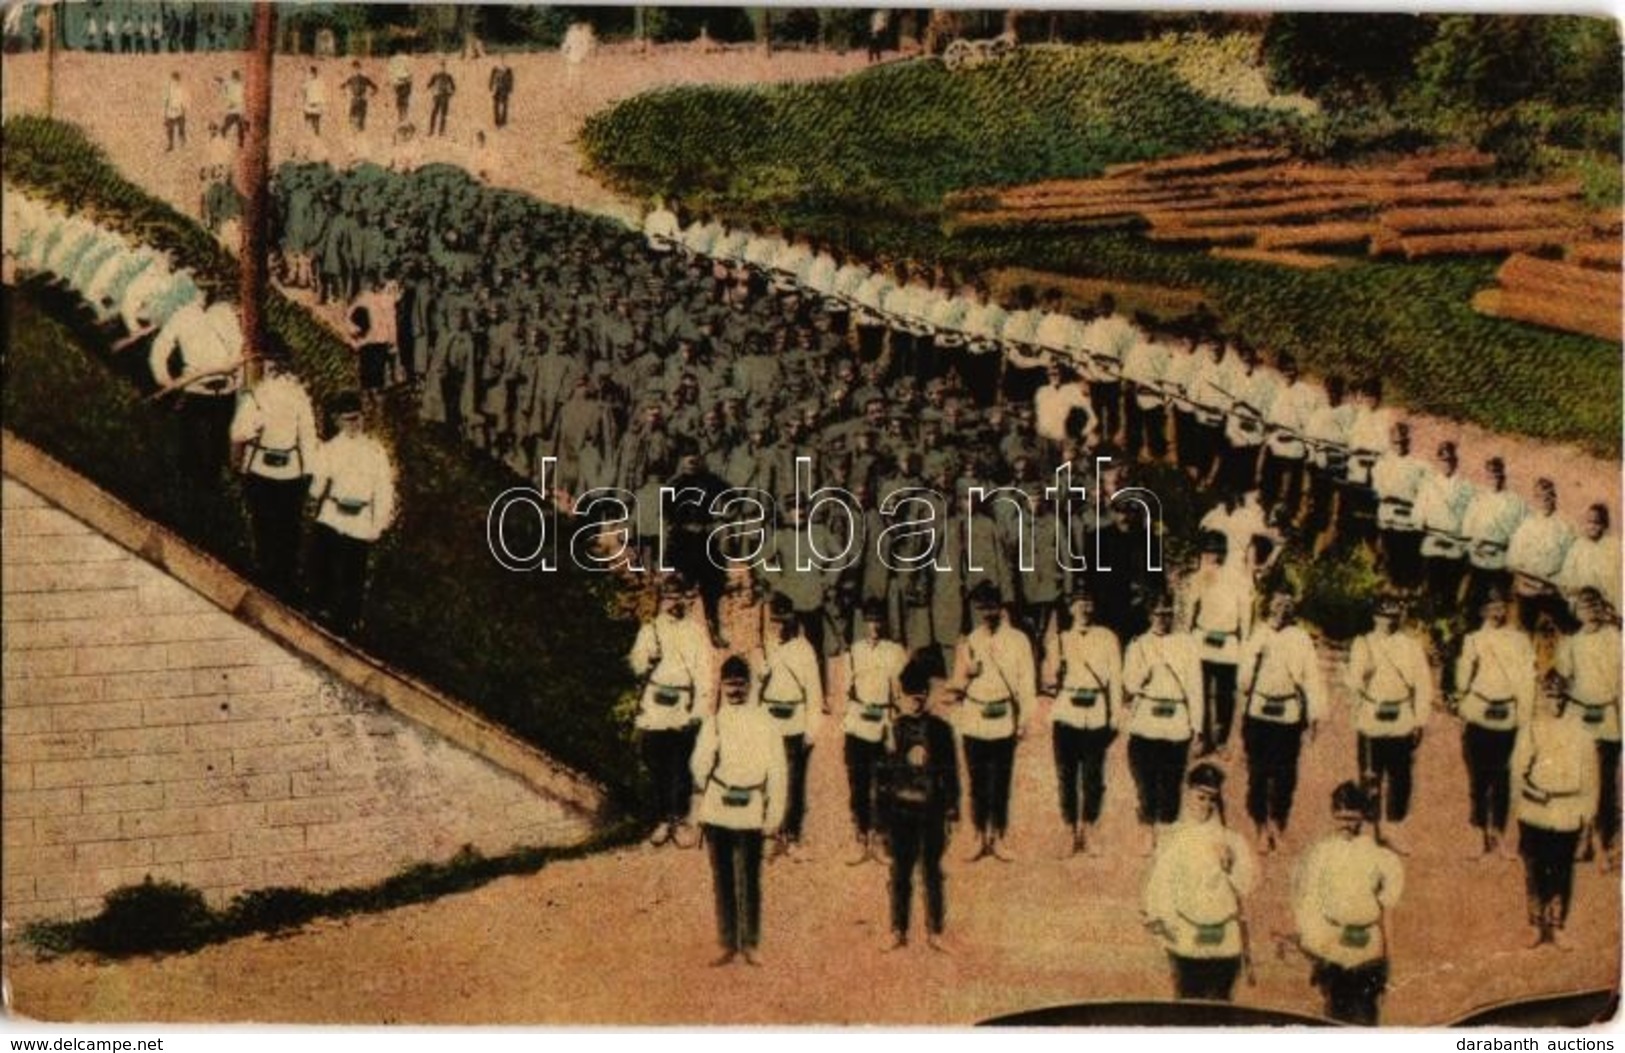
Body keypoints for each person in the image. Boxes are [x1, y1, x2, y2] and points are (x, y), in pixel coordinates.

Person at [691, 655, 788, 967]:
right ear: (721, 685)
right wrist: (706, 769)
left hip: (750, 810)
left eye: (740, 684)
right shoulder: (714, 722)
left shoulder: (766, 723)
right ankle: (727, 943)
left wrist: (773, 817)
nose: (734, 691)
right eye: (729, 684)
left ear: (750, 685)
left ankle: (750, 944)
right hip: (719, 809)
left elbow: (778, 772)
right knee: (723, 879)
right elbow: (698, 766)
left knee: (749, 878)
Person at [1291, 781, 1405, 1025]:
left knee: (1365, 1018)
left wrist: (1388, 960)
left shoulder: (1380, 856)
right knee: (1334, 1021)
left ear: (1363, 817)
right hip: (1333, 947)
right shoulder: (1320, 854)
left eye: (1352, 818)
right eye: (1341, 817)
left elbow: (1387, 912)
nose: (1346, 824)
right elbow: (1309, 900)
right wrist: (1316, 944)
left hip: (1368, 950)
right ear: (1332, 814)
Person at [1142, 763, 1257, 1002]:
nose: (1205, 804)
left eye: (1211, 799)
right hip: (1186, 940)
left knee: (1221, 1010)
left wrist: (1231, 864)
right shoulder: (1173, 838)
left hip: (1225, 940)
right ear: (1189, 794)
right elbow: (1160, 887)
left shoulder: (1232, 841)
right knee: (1188, 1009)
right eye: (1200, 797)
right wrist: (1166, 927)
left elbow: (1246, 885)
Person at [878, 654, 961, 951]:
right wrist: (881, 822)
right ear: (901, 696)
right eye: (911, 695)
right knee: (899, 873)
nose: (917, 700)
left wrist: (952, 810)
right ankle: (898, 930)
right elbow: (882, 778)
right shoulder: (892, 729)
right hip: (900, 811)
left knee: (932, 871)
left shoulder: (940, 729)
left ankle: (936, 931)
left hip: (931, 811)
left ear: (927, 695)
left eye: (921, 694)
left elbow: (951, 772)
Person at [1237, 585, 1328, 853]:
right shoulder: (1258, 635)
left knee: (1285, 774)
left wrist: (1314, 715)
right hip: (1259, 711)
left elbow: (1311, 678)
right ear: (1269, 606)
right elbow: (1243, 680)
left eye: (1287, 606)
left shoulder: (1301, 639)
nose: (1281, 610)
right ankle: (1260, 827)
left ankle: (1278, 822)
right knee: (1258, 773)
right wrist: (1255, 657)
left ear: (1293, 610)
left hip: (1288, 714)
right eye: (1277, 605)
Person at [950, 581, 1036, 862]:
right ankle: (978, 836)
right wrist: (967, 673)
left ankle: (997, 836)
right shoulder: (970, 641)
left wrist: (1024, 720)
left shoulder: (1018, 641)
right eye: (981, 608)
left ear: (1001, 608)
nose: (987, 613)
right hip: (975, 718)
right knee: (977, 782)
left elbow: (1027, 684)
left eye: (991, 607)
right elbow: (956, 687)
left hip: (1003, 719)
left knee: (1000, 781)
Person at [1512, 670, 1598, 949]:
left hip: (1568, 812)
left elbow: (1590, 782)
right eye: (1550, 697)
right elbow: (1517, 772)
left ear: (1568, 699)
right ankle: (1536, 925)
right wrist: (1537, 794)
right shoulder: (1531, 729)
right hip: (1536, 811)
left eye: (1561, 698)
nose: (1556, 703)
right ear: (1542, 698)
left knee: (1561, 870)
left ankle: (1557, 924)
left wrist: (1587, 821)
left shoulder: (1583, 735)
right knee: (1535, 869)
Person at [628, 577, 715, 848]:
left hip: (683, 703)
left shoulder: (696, 632)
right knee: (656, 762)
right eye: (669, 596)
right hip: (656, 704)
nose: (674, 602)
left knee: (682, 763)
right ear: (662, 599)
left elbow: (704, 673)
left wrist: (698, 709)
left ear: (687, 600)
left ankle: (679, 819)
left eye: (679, 596)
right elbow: (636, 664)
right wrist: (644, 659)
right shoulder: (650, 630)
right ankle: (662, 819)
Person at [229, 341, 318, 599]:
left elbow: (307, 438)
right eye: (273, 363)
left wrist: (309, 473)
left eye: (280, 364)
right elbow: (307, 438)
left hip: (281, 470)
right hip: (272, 469)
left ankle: (278, 578)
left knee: (275, 527)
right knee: (277, 527)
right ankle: (275, 577)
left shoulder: (280, 396)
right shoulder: (275, 396)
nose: (276, 369)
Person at [1344, 594, 1433, 851]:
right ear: (1375, 617)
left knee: (1400, 779)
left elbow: (1423, 684)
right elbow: (1352, 680)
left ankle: (1395, 829)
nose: (1388, 622)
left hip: (1402, 719)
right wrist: (1362, 675)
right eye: (1383, 617)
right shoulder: (1363, 644)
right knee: (1370, 778)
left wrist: (1420, 720)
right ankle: (1373, 830)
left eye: (1393, 617)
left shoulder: (1411, 646)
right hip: (1372, 717)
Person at [1453, 589, 1536, 857]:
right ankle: (1477, 833)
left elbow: (1527, 681)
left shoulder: (1520, 641)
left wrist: (1525, 719)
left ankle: (1498, 833)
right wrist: (1463, 710)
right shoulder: (1473, 640)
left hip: (1508, 713)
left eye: (1501, 607)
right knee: (1478, 777)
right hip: (1479, 711)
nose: (1497, 612)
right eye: (1491, 607)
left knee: (1503, 778)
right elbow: (1463, 680)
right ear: (1482, 611)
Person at [307, 392, 398, 635]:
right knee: (323, 566)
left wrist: (378, 524)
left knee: (353, 574)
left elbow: (384, 490)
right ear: (337, 421)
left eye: (357, 418)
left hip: (359, 519)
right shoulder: (329, 449)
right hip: (332, 515)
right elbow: (317, 487)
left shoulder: (375, 451)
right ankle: (319, 613)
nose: (353, 424)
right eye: (347, 419)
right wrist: (318, 491)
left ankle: (347, 623)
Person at [1044, 587, 1123, 857]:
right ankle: (1069, 830)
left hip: (1096, 714)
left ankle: (1089, 829)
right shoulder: (1060, 640)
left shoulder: (1107, 638)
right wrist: (1053, 666)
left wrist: (1115, 715)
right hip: (1066, 715)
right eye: (1078, 603)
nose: (1084, 609)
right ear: (1070, 609)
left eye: (1088, 603)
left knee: (1092, 776)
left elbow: (1115, 678)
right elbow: (1048, 682)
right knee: (1066, 777)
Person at [1123, 592, 1203, 851]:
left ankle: (1167, 833)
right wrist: (1143, 675)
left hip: (1176, 721)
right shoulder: (1138, 645)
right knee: (1145, 780)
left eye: (1168, 613)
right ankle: (1147, 830)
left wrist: (1197, 725)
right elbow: (1129, 685)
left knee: (1171, 781)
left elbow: (1195, 687)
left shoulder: (1187, 645)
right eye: (1158, 613)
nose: (1163, 618)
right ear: (1149, 615)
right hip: (1146, 720)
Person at [1553, 589, 1621, 871]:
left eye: (1594, 605)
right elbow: (1563, 681)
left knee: (1603, 786)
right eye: (1583, 606)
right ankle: (1584, 840)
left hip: (1608, 718)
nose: (1589, 610)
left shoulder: (1616, 639)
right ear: (1576, 611)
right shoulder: (1571, 644)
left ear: (1602, 608)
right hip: (1579, 717)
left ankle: (1604, 846)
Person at [754, 593, 826, 858]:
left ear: (792, 621)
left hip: (794, 723)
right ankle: (769, 833)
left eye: (783, 622)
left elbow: (814, 694)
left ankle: (792, 836)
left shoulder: (804, 650)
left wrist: (811, 730)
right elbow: (757, 690)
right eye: (774, 622)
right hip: (769, 721)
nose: (779, 628)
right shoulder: (768, 646)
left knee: (794, 784)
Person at [842, 599, 908, 864]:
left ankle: (880, 839)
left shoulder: (895, 651)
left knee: (883, 785)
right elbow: (846, 691)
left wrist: (894, 726)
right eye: (870, 620)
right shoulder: (854, 651)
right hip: (858, 723)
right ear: (863, 622)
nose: (875, 626)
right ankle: (861, 838)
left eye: (879, 620)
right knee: (858, 785)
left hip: (883, 723)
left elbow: (900, 694)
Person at [1186, 534, 1253, 756]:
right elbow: (1190, 610)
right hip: (1202, 640)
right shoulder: (1199, 578)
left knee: (1226, 694)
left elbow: (1245, 615)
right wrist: (1186, 638)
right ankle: (1201, 736)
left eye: (1216, 552)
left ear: (1224, 554)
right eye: (1207, 552)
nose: (1212, 557)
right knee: (1199, 691)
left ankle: (1222, 739)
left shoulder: (1239, 579)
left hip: (1228, 643)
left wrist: (1245, 645)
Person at [340, 60, 378, 133]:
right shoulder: (351, 78)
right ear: (352, 69)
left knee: (361, 120)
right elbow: (342, 87)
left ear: (360, 68)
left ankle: (360, 134)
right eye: (354, 68)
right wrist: (345, 94)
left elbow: (375, 87)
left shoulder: (364, 78)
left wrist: (370, 95)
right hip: (354, 99)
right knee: (351, 117)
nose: (355, 70)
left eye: (357, 68)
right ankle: (353, 131)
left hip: (362, 99)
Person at [427, 59, 456, 137]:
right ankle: (432, 130)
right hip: (438, 96)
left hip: (443, 96)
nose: (441, 67)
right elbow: (429, 85)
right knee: (434, 113)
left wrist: (450, 94)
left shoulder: (447, 75)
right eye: (440, 65)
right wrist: (432, 91)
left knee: (442, 114)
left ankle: (440, 131)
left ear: (444, 66)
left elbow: (453, 87)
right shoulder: (436, 75)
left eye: (442, 66)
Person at [163, 71, 189, 152]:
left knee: (181, 129)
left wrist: (184, 110)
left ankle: (182, 142)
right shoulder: (168, 89)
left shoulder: (181, 89)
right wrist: (165, 114)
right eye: (173, 80)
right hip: (170, 112)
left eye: (176, 80)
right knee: (170, 130)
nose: (174, 82)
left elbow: (184, 100)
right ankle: (171, 145)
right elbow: (166, 101)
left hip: (180, 112)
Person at [219, 70, 246, 147]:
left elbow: (241, 96)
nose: (235, 78)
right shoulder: (231, 84)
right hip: (233, 110)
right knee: (227, 125)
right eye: (234, 77)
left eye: (236, 77)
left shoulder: (240, 85)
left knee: (240, 127)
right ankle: (223, 133)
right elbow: (224, 88)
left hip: (239, 110)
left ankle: (241, 143)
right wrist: (229, 102)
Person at [300, 66, 328, 137]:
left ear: (315, 73)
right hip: (308, 104)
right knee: (307, 121)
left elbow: (323, 93)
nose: (311, 75)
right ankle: (308, 137)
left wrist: (322, 104)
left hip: (317, 105)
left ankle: (316, 137)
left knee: (316, 122)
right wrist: (304, 101)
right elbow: (303, 91)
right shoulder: (307, 82)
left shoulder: (320, 82)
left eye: (312, 73)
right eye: (310, 73)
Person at [488, 55, 514, 128]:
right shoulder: (496, 69)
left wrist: (510, 88)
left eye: (503, 60)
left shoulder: (508, 69)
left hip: (504, 88)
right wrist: (491, 86)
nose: (502, 61)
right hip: (498, 88)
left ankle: (502, 121)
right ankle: (498, 121)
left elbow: (511, 79)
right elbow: (492, 78)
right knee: (497, 104)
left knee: (504, 104)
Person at [387, 52, 413, 124]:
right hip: (400, 87)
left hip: (404, 87)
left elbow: (410, 78)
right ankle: (400, 119)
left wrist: (406, 81)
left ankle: (404, 119)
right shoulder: (395, 64)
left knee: (405, 105)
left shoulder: (405, 62)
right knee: (400, 105)